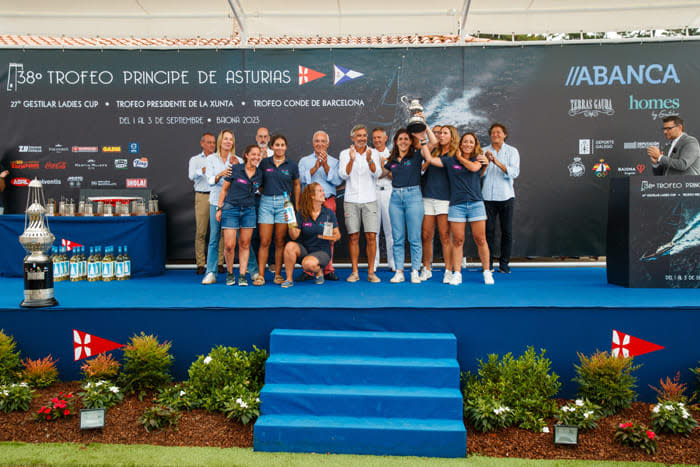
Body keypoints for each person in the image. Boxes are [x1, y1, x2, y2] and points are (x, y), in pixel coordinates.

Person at [425, 132, 494, 285]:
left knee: (480, 239)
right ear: (461, 144)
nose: (468, 144)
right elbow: (429, 159)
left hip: (476, 204)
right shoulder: (450, 161)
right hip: (457, 205)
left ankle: (487, 272)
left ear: (475, 145)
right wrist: (424, 142)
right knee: (457, 240)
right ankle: (457, 273)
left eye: (471, 142)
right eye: (465, 142)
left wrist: (461, 158)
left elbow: (474, 169)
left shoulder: (479, 159)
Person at [385, 127, 435, 283]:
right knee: (397, 238)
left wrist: (423, 127)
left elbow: (433, 142)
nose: (403, 142)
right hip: (394, 198)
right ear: (396, 141)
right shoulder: (391, 160)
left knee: (414, 237)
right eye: (400, 139)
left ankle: (414, 271)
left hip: (413, 197)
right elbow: (383, 173)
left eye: (406, 139)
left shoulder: (417, 155)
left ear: (410, 141)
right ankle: (399, 271)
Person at [338, 124, 382, 283]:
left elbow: (377, 173)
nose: (362, 138)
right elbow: (343, 175)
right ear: (352, 138)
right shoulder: (345, 154)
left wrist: (370, 160)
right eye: (359, 136)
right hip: (351, 200)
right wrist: (351, 159)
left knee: (371, 236)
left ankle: (371, 272)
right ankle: (355, 272)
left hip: (370, 199)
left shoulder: (374, 153)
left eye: (364, 135)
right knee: (353, 236)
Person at [256, 134, 301, 286]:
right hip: (266, 203)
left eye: (282, 145)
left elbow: (296, 185)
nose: (280, 148)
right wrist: (268, 195)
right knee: (264, 241)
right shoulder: (264, 163)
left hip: (284, 204)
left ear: (286, 147)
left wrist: (297, 204)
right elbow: (259, 184)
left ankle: (277, 275)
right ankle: (261, 275)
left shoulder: (292, 165)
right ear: (272, 147)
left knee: (280, 241)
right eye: (277, 145)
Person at [216, 145, 263, 286]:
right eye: (253, 154)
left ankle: (242, 275)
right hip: (231, 209)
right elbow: (224, 190)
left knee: (244, 244)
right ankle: (230, 273)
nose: (256, 157)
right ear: (246, 155)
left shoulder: (260, 174)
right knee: (229, 245)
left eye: (258, 155)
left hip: (249, 210)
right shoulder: (235, 169)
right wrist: (219, 208)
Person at [298, 130, 342, 281]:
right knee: (308, 235)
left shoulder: (335, 162)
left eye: (323, 141)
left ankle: (328, 269)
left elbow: (337, 181)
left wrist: (325, 166)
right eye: (317, 141)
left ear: (328, 144)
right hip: (308, 204)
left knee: (328, 236)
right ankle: (310, 270)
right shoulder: (304, 161)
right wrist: (316, 167)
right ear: (313, 143)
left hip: (327, 203)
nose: (320, 144)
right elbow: (302, 180)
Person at [281, 182, 342, 288]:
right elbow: (294, 236)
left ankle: (319, 272)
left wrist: (330, 237)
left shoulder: (328, 213)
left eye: (323, 191)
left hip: (322, 252)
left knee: (308, 264)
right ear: (311, 196)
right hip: (305, 251)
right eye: (320, 191)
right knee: (289, 246)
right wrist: (290, 224)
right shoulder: (302, 213)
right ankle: (289, 279)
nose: (324, 193)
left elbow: (338, 235)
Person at [202, 130, 242, 285]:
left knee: (242, 240)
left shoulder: (237, 160)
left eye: (230, 139)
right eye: (225, 139)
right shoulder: (211, 159)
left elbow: (241, 182)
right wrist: (222, 173)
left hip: (233, 204)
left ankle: (251, 270)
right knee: (214, 238)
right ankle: (211, 272)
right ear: (220, 141)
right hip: (215, 203)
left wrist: (237, 169)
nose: (228, 142)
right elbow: (210, 181)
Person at [482, 122, 520, 274]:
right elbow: (479, 174)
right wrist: (485, 162)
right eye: (493, 133)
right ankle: (488, 264)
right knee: (488, 232)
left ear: (505, 135)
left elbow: (514, 172)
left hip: (506, 196)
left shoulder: (512, 151)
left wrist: (496, 162)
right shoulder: (483, 150)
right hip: (487, 197)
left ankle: (504, 265)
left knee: (507, 232)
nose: (495, 135)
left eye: (499, 132)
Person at [421, 125, 457, 283]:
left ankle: (448, 270)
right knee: (426, 235)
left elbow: (429, 159)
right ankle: (427, 268)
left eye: (445, 133)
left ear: (451, 136)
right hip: (428, 197)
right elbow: (423, 167)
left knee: (444, 236)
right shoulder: (433, 150)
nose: (441, 136)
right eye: (440, 133)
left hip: (445, 199)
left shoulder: (454, 154)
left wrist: (425, 125)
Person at [188, 132, 216, 275]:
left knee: (219, 232)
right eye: (209, 142)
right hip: (203, 196)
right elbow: (191, 175)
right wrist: (202, 170)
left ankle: (219, 263)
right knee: (201, 231)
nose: (212, 145)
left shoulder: (218, 159)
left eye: (213, 142)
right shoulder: (195, 160)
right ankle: (200, 263)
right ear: (202, 143)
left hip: (217, 196)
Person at [372, 127, 395, 272]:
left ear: (386, 138)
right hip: (372, 193)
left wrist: (384, 169)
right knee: (373, 231)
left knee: (390, 230)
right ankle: (374, 263)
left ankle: (392, 262)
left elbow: (396, 176)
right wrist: (381, 170)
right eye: (374, 138)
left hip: (388, 193)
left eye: (379, 137)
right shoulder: (368, 154)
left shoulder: (393, 154)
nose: (377, 140)